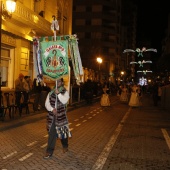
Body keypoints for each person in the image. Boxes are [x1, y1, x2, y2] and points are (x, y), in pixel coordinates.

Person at [43, 78, 71, 159]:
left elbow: (65, 101)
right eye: (56, 81)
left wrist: (58, 94)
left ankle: (65, 145)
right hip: (52, 117)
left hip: (61, 116)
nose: (57, 83)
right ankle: (49, 151)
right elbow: (46, 103)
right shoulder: (51, 92)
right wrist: (52, 109)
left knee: (63, 134)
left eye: (59, 81)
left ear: (61, 82)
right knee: (52, 134)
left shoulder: (64, 91)